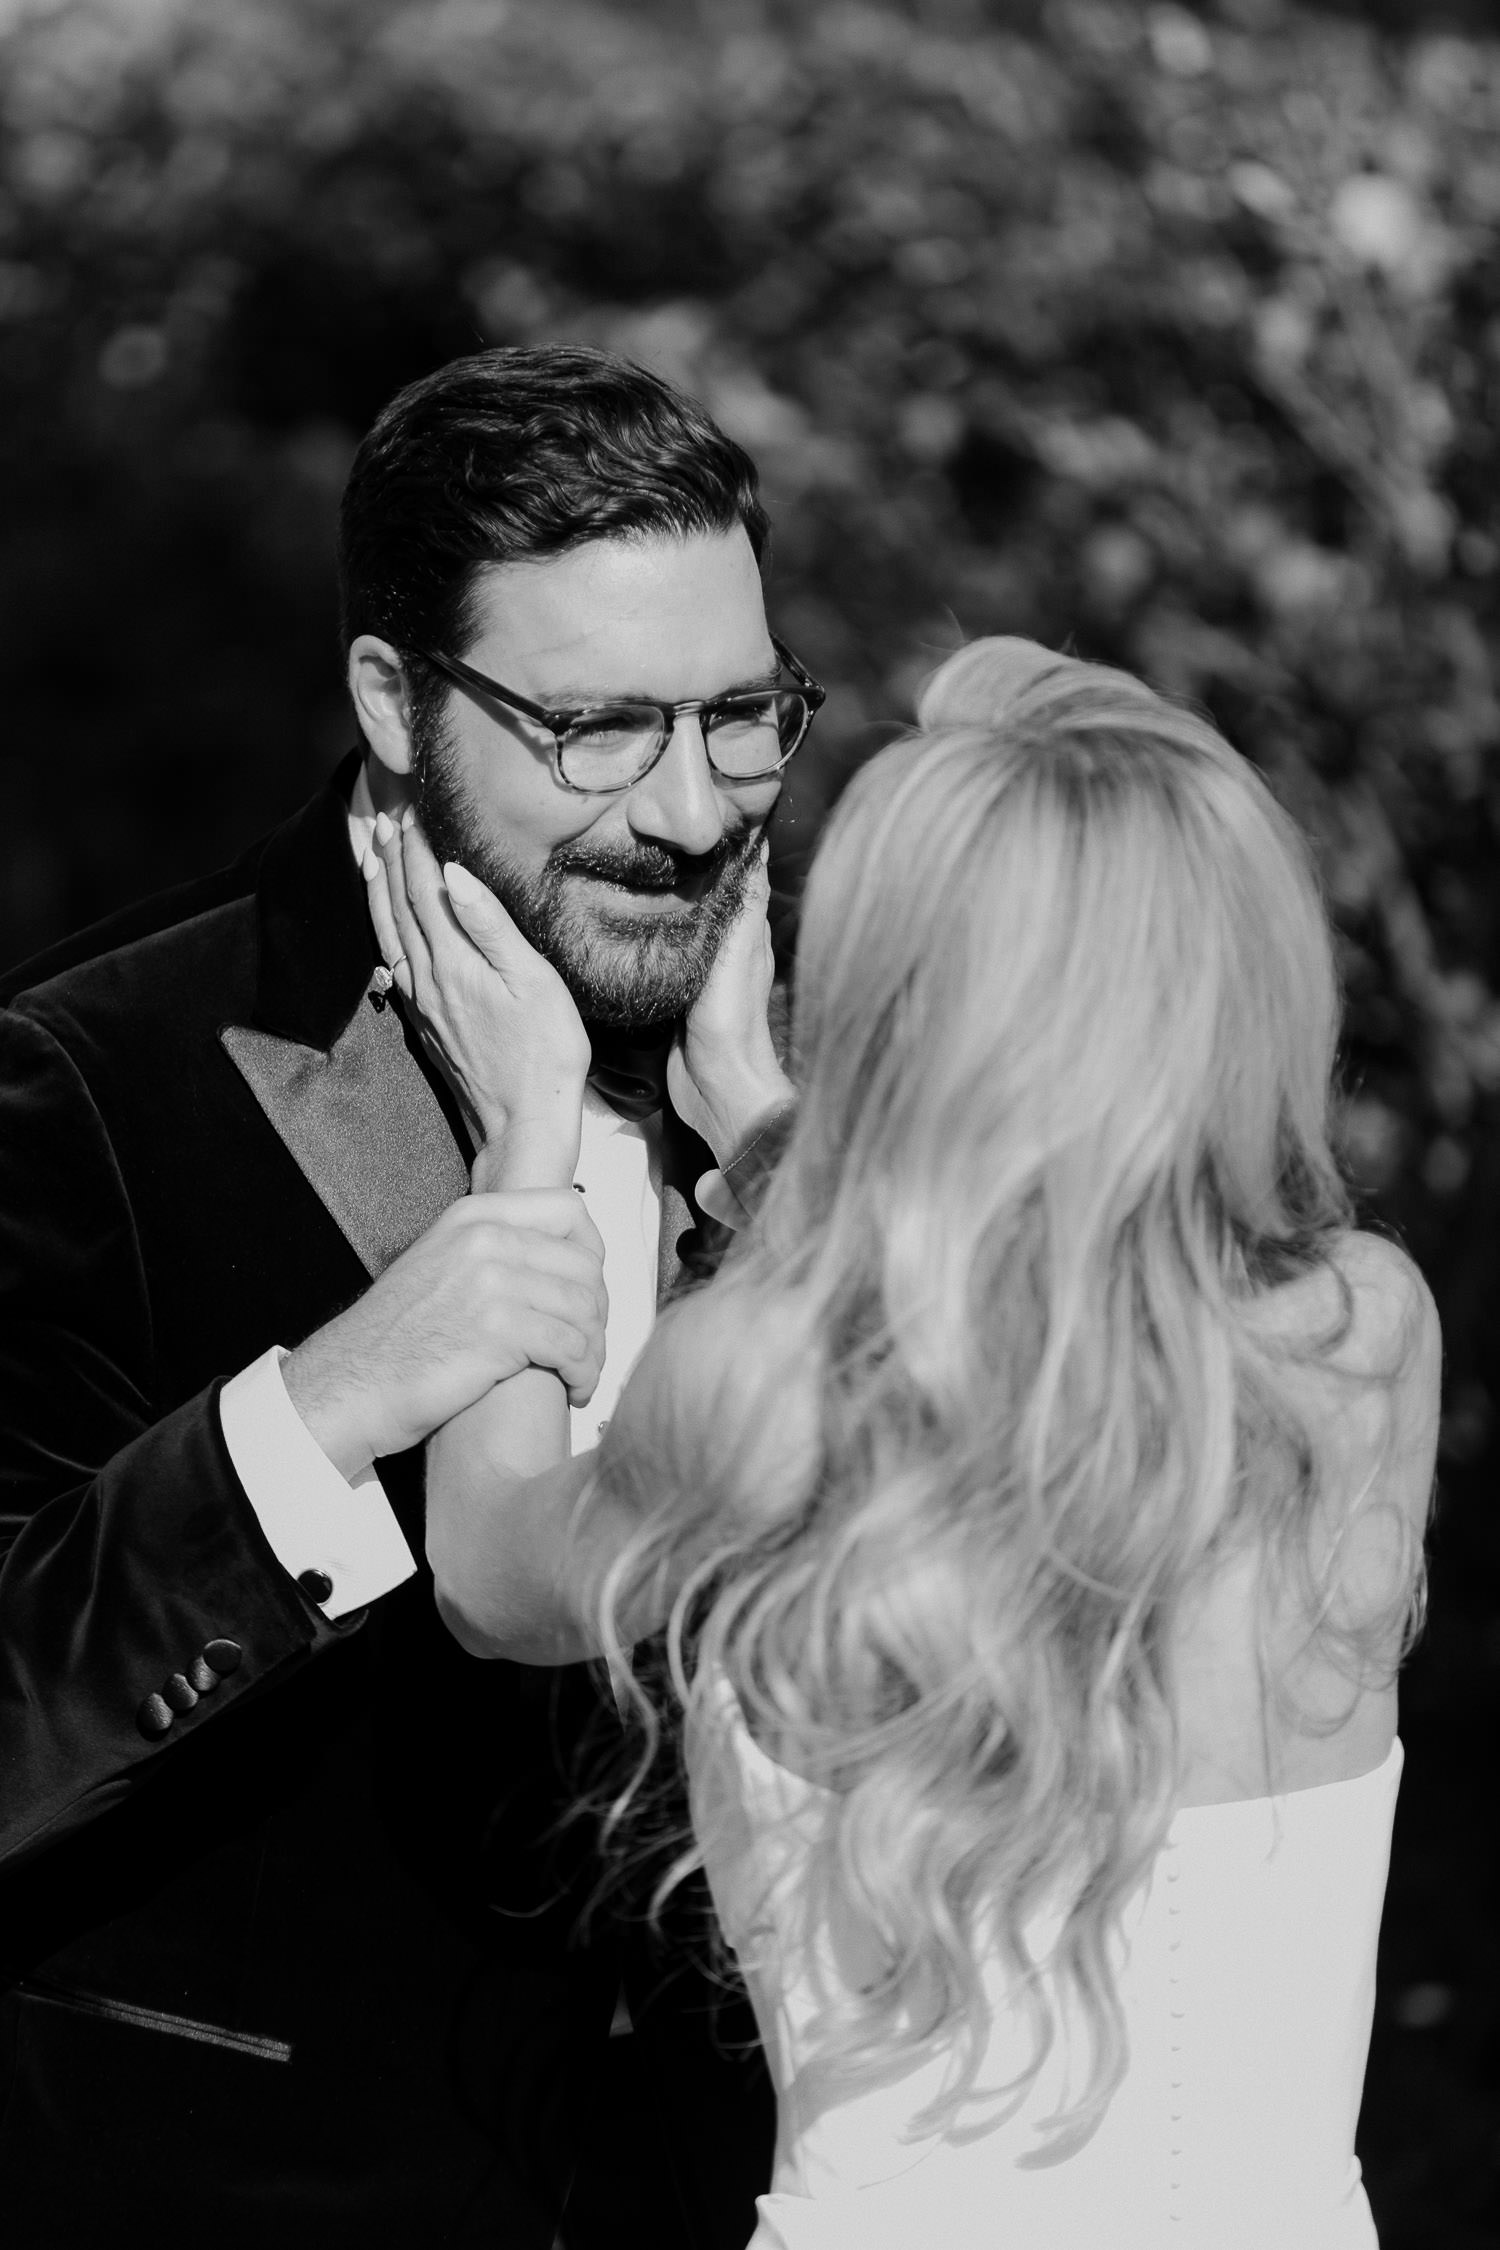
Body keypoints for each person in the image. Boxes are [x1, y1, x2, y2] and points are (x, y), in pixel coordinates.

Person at [391, 636, 1441, 2249]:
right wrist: (757, 1109)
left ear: (901, 995)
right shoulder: (1360, 1341)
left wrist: (520, 1136)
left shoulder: (758, 1380)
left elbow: (486, 1566)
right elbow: (1035, 1325)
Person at [0, 343, 812, 2245]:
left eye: (745, 717)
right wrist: (322, 1409)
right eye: (599, 729)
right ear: (392, 697)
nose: (693, 815)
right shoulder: (84, 1080)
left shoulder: (849, 1045)